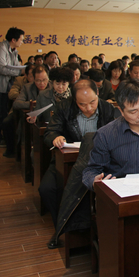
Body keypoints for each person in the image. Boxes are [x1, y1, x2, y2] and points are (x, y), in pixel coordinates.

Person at [41, 80, 119, 247]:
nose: (89, 108)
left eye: (92, 102)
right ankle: (61, 228)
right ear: (74, 100)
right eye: (82, 104)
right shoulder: (64, 107)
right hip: (67, 160)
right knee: (47, 189)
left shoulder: (107, 108)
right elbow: (49, 132)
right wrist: (56, 137)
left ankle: (88, 230)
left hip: (98, 162)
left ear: (97, 94)